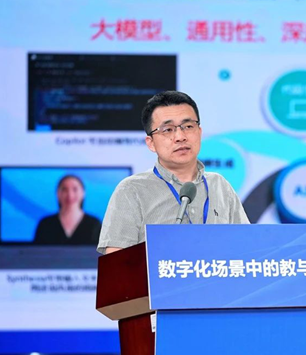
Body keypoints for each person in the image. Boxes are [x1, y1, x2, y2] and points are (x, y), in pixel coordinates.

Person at [97, 91, 249, 254]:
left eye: (188, 126)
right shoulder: (132, 190)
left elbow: (248, 246)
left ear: (199, 132)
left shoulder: (219, 185)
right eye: (168, 129)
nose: (180, 136)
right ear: (151, 143)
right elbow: (116, 261)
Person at [34, 175, 102, 245]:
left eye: (75, 189)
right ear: (58, 194)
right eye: (64, 189)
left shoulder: (94, 224)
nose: (70, 195)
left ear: (83, 193)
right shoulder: (45, 224)